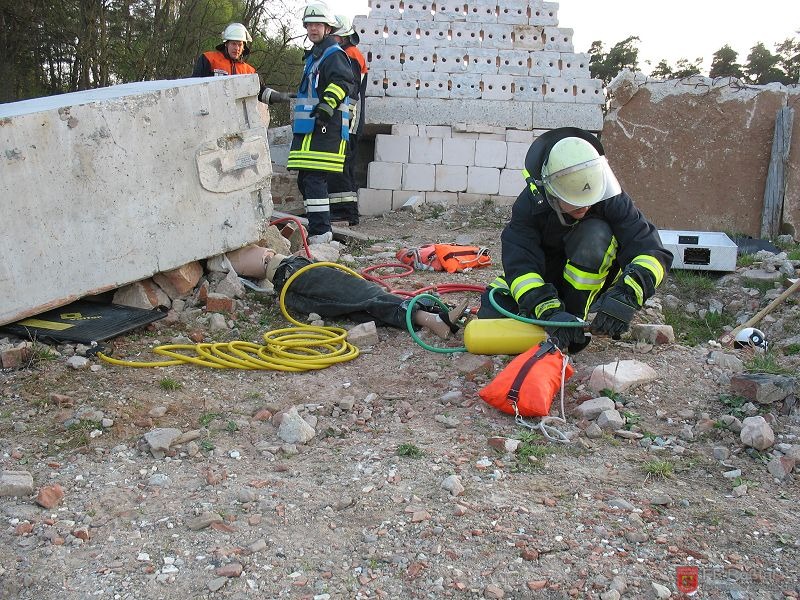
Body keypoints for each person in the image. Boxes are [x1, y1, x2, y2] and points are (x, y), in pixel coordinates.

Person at [478, 127, 673, 353]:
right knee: (491, 312)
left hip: (590, 282)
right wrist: (548, 311)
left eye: (588, 198)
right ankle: (558, 317)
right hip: (548, 276)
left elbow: (651, 252)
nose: (586, 205)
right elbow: (521, 266)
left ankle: (576, 317)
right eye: (575, 199)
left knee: (595, 235)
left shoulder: (609, 197)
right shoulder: (529, 207)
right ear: (552, 193)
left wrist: (626, 296)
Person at [225, 245, 467, 339]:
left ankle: (434, 318)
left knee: (362, 306)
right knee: (365, 296)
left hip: (293, 278)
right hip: (292, 276)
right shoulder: (224, 253)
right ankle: (433, 319)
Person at [286, 3, 356, 244]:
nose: (313, 29)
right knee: (305, 180)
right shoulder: (315, 57)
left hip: (326, 128)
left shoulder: (333, 54)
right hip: (310, 130)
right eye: (309, 25)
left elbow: (344, 82)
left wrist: (327, 105)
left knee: (314, 179)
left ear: (328, 28)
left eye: (318, 24)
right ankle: (318, 228)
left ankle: (320, 232)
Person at [327, 14, 369, 226]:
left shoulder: (349, 55)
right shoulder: (350, 54)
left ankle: (345, 213)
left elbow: (347, 89)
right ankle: (347, 212)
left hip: (347, 119)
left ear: (341, 37)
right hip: (349, 118)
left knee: (341, 164)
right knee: (345, 165)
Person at [192, 22, 292, 105]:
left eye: (240, 44)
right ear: (226, 44)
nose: (237, 48)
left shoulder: (249, 71)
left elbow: (260, 92)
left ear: (244, 47)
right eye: (233, 44)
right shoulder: (208, 59)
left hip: (237, 118)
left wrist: (279, 97)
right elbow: (193, 88)